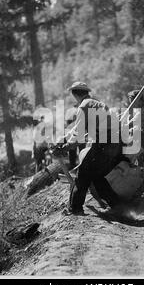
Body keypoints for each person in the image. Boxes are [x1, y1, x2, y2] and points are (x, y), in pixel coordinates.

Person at [54, 81, 125, 215]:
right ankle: (117, 205)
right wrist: (64, 139)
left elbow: (79, 134)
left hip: (104, 143)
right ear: (86, 92)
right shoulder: (96, 103)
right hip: (114, 141)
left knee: (83, 173)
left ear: (74, 94)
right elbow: (77, 128)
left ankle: (75, 208)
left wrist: (65, 146)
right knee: (96, 175)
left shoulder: (84, 106)